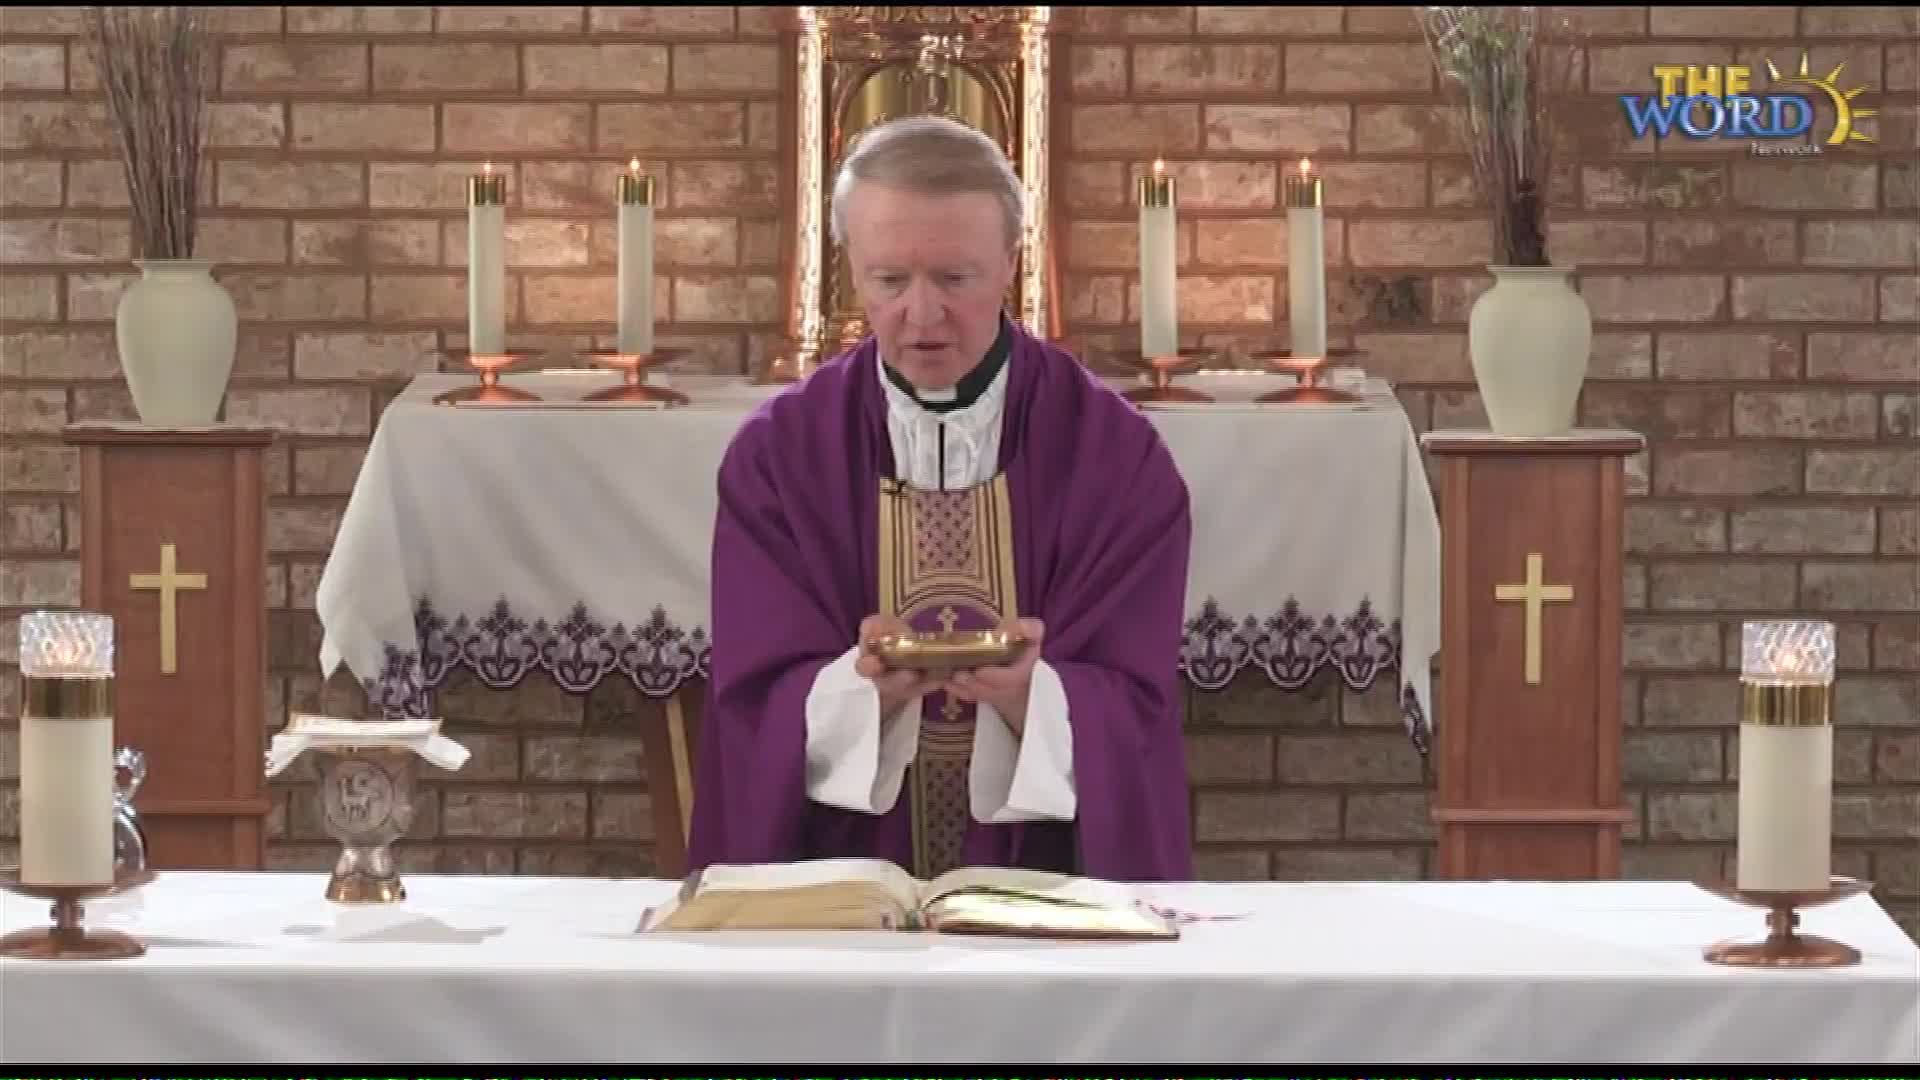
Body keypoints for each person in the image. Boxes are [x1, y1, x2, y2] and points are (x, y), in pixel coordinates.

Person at [687, 115, 1193, 882]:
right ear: (851, 268)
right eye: (889, 281)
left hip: (1044, 902)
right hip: (847, 904)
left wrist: (1038, 701)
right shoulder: (779, 461)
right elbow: (751, 708)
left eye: (954, 279)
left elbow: (1139, 711)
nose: (921, 316)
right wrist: (857, 697)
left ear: (1009, 265)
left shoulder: (1115, 461)